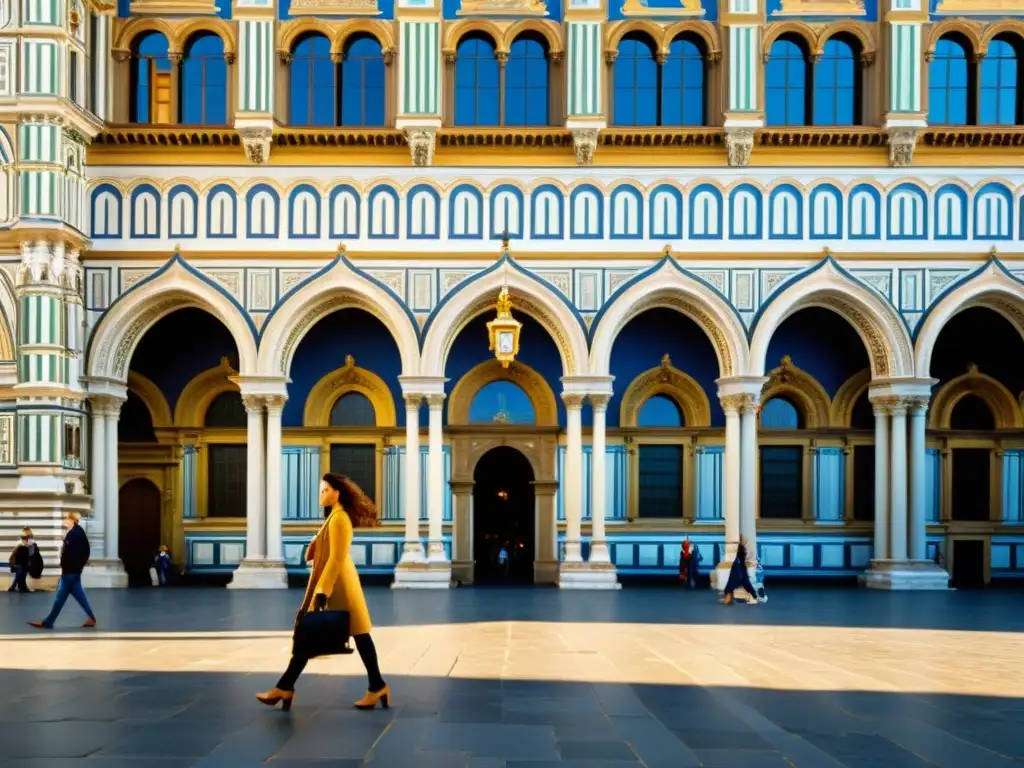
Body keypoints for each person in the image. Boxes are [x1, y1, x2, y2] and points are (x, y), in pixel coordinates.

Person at [257, 473, 387, 712]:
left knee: (328, 634)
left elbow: (336, 558)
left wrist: (322, 591)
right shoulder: (334, 517)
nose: (321, 494)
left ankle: (285, 687)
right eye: (321, 490)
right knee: (349, 635)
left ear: (337, 492)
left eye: (325, 490)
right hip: (337, 583)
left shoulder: (339, 519)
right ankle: (376, 686)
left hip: (339, 587)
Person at [28, 512, 97, 628]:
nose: (64, 520)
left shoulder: (76, 533)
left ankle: (48, 622)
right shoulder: (74, 532)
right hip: (72, 571)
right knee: (79, 595)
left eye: (66, 518)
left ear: (72, 520)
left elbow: (82, 551)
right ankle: (91, 617)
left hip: (70, 571)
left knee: (59, 598)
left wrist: (76, 565)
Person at [720, 535, 758, 606]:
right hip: (740, 574)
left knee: (729, 588)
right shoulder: (740, 557)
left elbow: (738, 566)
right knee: (746, 586)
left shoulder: (738, 558)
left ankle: (728, 600)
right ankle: (754, 596)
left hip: (738, 574)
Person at [8, 528, 38, 593]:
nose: (27, 539)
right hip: (15, 564)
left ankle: (19, 586)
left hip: (24, 564)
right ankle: (17, 585)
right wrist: (25, 547)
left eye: (29, 537)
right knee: (21, 568)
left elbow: (32, 556)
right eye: (25, 538)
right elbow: (15, 559)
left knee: (23, 568)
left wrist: (30, 548)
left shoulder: (32, 546)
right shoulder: (20, 546)